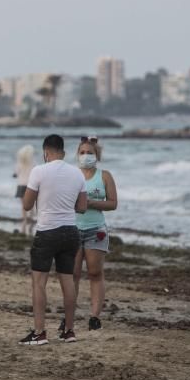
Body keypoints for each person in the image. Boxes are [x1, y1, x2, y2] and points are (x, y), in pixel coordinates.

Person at [18, 134, 88, 346]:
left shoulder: (39, 170)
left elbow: (27, 205)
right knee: (68, 281)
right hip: (70, 232)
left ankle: (40, 333)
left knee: (39, 283)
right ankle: (69, 331)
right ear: (64, 153)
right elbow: (82, 207)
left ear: (45, 152)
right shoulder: (77, 174)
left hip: (47, 231)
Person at [71, 136, 118, 332]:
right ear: (77, 155)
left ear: (97, 155)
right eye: (82, 152)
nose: (86, 156)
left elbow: (113, 203)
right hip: (72, 229)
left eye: (89, 152)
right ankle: (68, 316)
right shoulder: (71, 175)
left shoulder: (104, 176)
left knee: (95, 273)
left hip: (95, 230)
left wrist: (91, 203)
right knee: (71, 274)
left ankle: (94, 317)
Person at [14, 145, 36, 236]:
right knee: (31, 204)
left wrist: (15, 175)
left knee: (23, 205)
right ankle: (31, 218)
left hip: (21, 186)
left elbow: (16, 173)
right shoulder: (33, 163)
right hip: (30, 186)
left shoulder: (19, 163)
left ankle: (24, 220)